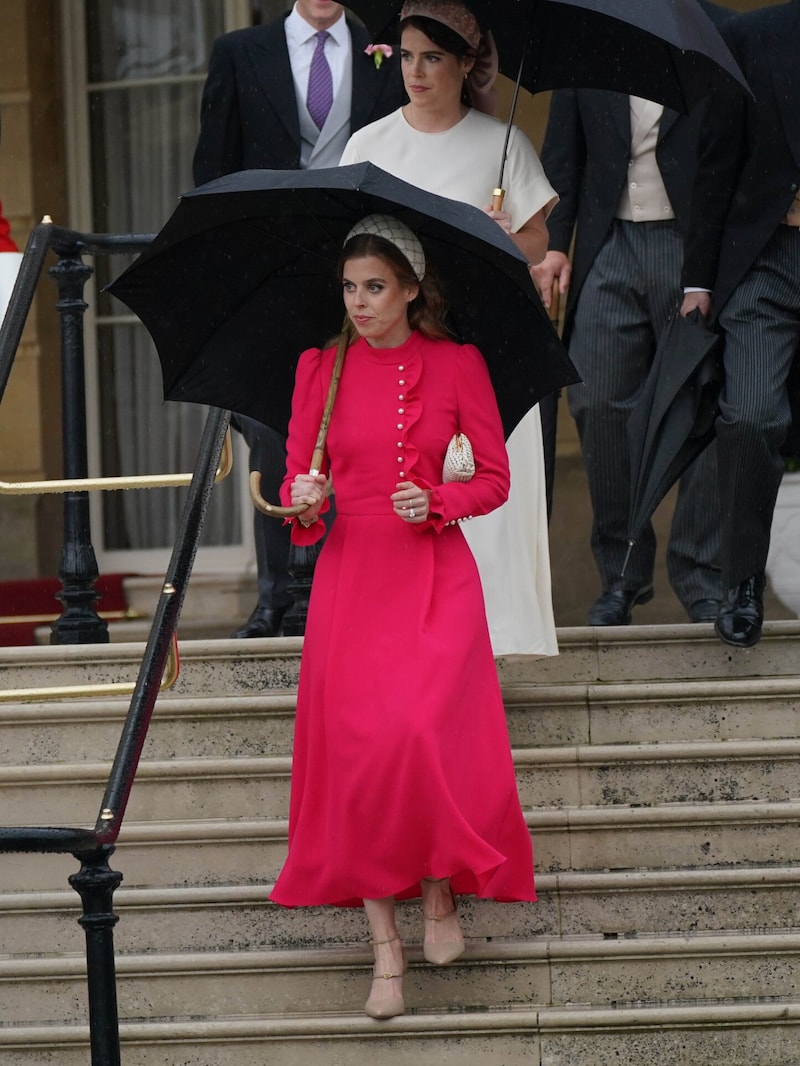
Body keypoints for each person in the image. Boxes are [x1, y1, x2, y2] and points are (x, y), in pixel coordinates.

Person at [269, 215, 536, 1019]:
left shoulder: (456, 365)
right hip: (351, 579)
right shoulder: (318, 368)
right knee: (357, 761)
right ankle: (386, 951)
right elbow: (295, 484)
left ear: (412, 289)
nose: (359, 302)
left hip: (432, 574)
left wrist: (439, 500)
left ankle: (440, 896)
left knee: (418, 736)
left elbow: (494, 479)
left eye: (375, 287)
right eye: (349, 287)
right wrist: (301, 500)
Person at [340, 0, 560, 657]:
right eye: (407, 56)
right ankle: (405, 635)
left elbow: (536, 239)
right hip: (397, 350)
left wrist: (504, 237)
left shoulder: (503, 145)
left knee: (477, 486)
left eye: (433, 57)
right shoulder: (368, 146)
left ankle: (492, 638)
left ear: (466, 64)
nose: (416, 71)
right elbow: (347, 243)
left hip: (481, 346)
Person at [192, 0, 405, 638]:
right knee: (273, 429)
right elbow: (213, 172)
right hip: (270, 272)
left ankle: (343, 590)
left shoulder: (387, 54)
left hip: (362, 266)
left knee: (361, 426)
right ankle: (276, 594)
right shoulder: (238, 52)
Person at [531, 0, 731, 627]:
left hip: (694, 246)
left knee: (703, 406)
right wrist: (557, 244)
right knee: (595, 398)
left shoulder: (718, 32)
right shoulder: (589, 37)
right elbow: (565, 152)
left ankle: (700, 575)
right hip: (609, 243)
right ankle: (621, 570)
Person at [680, 0, 800, 648]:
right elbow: (716, 161)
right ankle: (741, 582)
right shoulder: (750, 37)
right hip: (767, 262)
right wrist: (698, 280)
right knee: (750, 416)